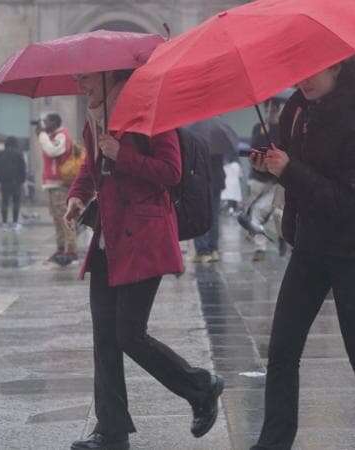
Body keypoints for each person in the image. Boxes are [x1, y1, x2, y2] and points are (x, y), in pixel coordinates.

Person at [64, 70, 224, 450]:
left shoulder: (152, 113)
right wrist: (77, 194)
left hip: (144, 237)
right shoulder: (95, 118)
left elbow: (171, 172)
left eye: (86, 77)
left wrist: (124, 155)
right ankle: (111, 432)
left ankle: (200, 386)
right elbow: (91, 165)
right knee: (104, 337)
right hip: (109, 238)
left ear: (107, 76)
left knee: (129, 334)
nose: (80, 85)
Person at [248, 57, 355, 450]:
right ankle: (273, 442)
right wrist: (269, 165)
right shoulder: (298, 112)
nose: (302, 78)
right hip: (311, 246)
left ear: (337, 67)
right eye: (298, 70)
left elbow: (349, 201)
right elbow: (295, 168)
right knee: (282, 349)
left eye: (312, 69)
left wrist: (290, 170)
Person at [245, 98, 284, 261]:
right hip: (258, 179)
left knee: (278, 213)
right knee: (255, 213)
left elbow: (282, 149)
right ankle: (260, 247)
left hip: (275, 181)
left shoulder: (283, 128)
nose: (269, 113)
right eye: (267, 110)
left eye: (273, 110)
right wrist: (262, 132)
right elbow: (253, 150)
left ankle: (282, 238)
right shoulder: (258, 127)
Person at [37, 113, 78, 263]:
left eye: (46, 122)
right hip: (52, 184)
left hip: (60, 184)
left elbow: (53, 151)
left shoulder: (62, 135)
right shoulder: (53, 135)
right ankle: (61, 248)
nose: (44, 125)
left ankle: (71, 250)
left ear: (54, 122)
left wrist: (42, 135)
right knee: (56, 218)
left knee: (65, 217)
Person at [188, 119, 231, 263]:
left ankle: (202, 251)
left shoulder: (194, 131)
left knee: (199, 216)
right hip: (217, 181)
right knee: (214, 216)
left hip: (201, 182)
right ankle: (214, 249)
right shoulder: (219, 130)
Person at [0, 136, 27, 231]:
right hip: (16, 182)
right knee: (16, 202)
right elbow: (23, 168)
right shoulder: (19, 154)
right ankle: (15, 223)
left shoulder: (0, 155)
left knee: (4, 202)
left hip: (4, 182)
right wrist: (22, 180)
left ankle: (4, 223)